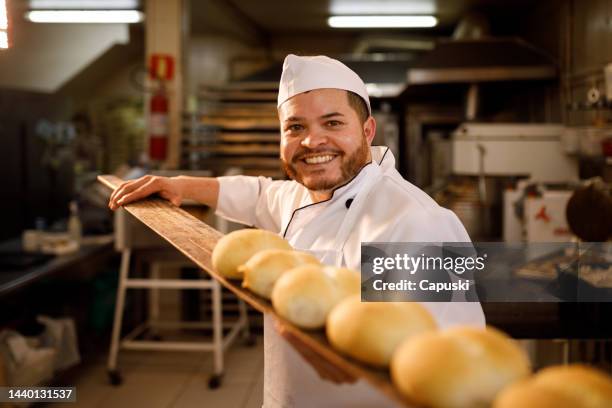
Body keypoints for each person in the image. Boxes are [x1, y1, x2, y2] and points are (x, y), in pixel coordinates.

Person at [108, 54, 485, 407]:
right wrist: (182, 186)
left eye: (333, 123)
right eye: (295, 127)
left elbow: (453, 359)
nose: (312, 141)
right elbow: (258, 194)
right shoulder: (304, 195)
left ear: (368, 130)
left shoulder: (415, 221)